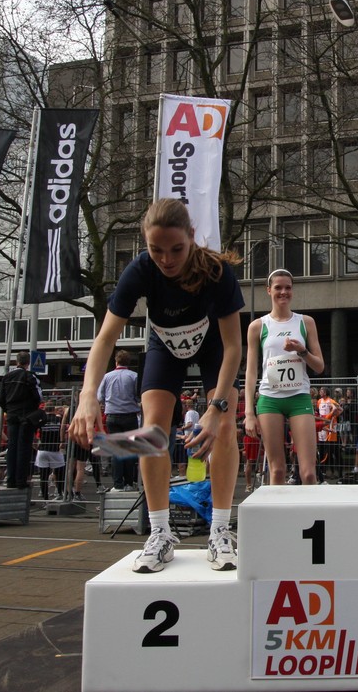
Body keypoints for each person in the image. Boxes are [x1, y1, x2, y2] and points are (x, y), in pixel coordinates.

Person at [68, 198, 243, 574]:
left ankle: (220, 530)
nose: (166, 259)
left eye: (177, 249)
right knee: (152, 432)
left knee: (226, 427)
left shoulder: (217, 271)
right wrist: (87, 395)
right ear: (144, 243)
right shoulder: (139, 271)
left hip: (214, 346)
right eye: (156, 250)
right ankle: (161, 533)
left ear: (192, 236)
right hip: (165, 345)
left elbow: (233, 347)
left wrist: (215, 410)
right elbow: (105, 339)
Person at [243, 269, 324, 486]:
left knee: (308, 473)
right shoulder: (258, 326)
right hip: (270, 399)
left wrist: (301, 351)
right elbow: (251, 371)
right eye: (278, 287)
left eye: (288, 287)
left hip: (299, 397)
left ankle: (311, 508)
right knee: (277, 471)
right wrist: (249, 412)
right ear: (268, 290)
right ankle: (277, 509)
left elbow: (319, 366)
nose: (283, 292)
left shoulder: (305, 322)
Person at [0, 351, 43, 491]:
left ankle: (10, 479)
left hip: (12, 415)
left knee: (12, 446)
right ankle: (21, 480)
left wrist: (9, 410)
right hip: (26, 416)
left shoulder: (7, 377)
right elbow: (38, 397)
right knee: (24, 447)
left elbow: (1, 400)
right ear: (28, 363)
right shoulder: (30, 376)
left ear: (16, 361)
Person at [98, 350, 142, 491]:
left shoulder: (107, 377)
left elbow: (100, 397)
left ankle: (118, 484)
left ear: (116, 361)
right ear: (128, 362)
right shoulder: (134, 376)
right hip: (130, 416)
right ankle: (129, 483)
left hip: (112, 416)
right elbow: (138, 396)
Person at [35, 404, 67, 501]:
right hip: (55, 450)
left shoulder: (41, 420)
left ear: (45, 410)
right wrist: (62, 442)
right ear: (54, 410)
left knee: (43, 477)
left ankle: (45, 499)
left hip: (43, 449)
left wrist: (36, 445)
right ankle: (60, 493)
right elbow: (64, 431)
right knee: (60, 474)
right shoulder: (59, 420)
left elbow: (35, 433)